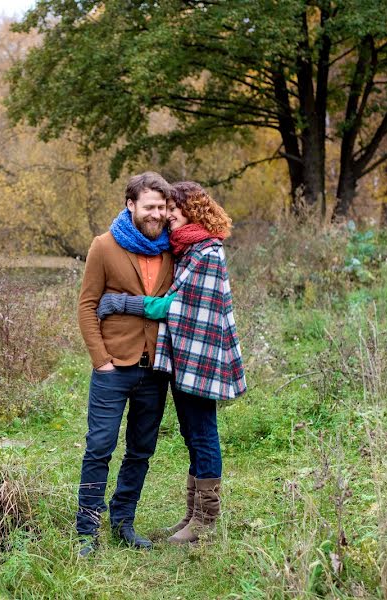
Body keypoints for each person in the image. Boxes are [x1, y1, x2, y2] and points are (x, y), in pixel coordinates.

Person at [97, 181, 246, 545]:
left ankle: (206, 524)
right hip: (183, 356)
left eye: (172, 209)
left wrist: (121, 303)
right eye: (163, 209)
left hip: (201, 357)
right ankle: (192, 517)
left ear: (189, 210)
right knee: (192, 436)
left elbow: (176, 307)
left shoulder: (207, 252)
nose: (166, 216)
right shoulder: (185, 249)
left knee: (203, 434)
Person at [75, 171, 176, 556]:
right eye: (149, 206)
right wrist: (100, 360)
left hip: (155, 369)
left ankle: (123, 522)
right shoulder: (104, 246)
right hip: (113, 367)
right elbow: (87, 305)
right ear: (131, 205)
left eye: (162, 207)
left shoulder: (172, 247)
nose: (156, 214)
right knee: (99, 447)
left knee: (141, 450)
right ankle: (87, 531)